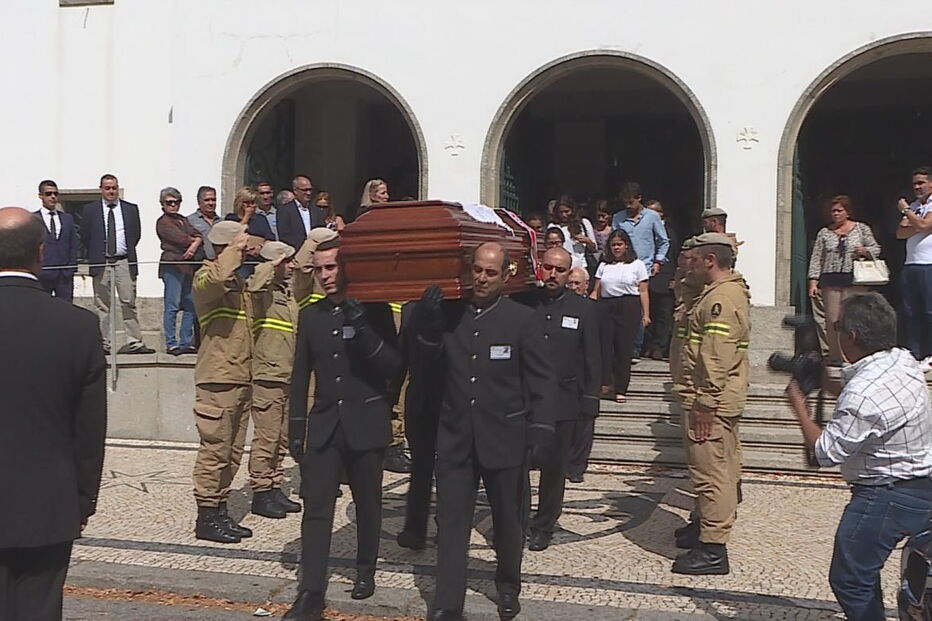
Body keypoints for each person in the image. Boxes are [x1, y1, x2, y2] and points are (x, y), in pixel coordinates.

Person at [414, 242, 557, 621]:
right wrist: (426, 325)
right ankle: (447, 603)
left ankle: (508, 584)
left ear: (506, 274)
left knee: (508, 522)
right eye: (477, 269)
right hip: (456, 437)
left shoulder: (522, 319)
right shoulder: (451, 316)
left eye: (490, 272)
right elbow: (426, 368)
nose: (481, 277)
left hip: (505, 438)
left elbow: (542, 379)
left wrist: (541, 430)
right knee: (451, 521)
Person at [785, 292, 932, 619]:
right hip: (922, 486)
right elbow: (867, 395)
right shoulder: (902, 360)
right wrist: (823, 379)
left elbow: (825, 452)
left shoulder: (863, 395)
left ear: (851, 336)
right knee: (882, 575)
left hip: (886, 495)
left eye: (836, 327)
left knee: (849, 579)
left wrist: (798, 403)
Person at [285, 237, 401, 621]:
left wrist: (361, 326)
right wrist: (296, 428)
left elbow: (392, 367)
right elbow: (301, 373)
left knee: (368, 503)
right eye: (318, 269)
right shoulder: (312, 315)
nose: (324, 276)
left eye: (331, 267)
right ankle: (311, 591)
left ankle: (365, 570)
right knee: (316, 508)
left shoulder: (375, 309)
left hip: (366, 423)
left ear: (346, 266)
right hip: (325, 423)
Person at [0, 207, 106, 621]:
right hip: (47, 505)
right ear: (41, 253)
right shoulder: (78, 327)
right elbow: (89, 428)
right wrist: (83, 501)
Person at [672, 232, 750, 576]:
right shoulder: (710, 292)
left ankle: (714, 548)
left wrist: (705, 402)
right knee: (716, 467)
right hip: (703, 394)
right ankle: (705, 523)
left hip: (710, 400)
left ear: (710, 261)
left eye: (695, 259)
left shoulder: (722, 299)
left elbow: (716, 355)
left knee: (711, 473)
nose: (689, 264)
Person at [526, 247, 600, 551]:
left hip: (563, 399)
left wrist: (591, 401)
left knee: (555, 468)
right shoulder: (525, 303)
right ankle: (517, 519)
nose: (553, 274)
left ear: (569, 273)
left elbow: (593, 357)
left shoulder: (584, 310)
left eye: (560, 269)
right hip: (525, 398)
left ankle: (544, 523)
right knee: (518, 465)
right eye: (548, 268)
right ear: (540, 268)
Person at [191, 220, 255, 544]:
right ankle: (205, 516)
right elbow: (215, 277)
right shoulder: (205, 277)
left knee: (231, 453)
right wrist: (236, 248)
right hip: (217, 379)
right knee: (214, 451)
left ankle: (220, 511)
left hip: (240, 376)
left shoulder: (238, 285)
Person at [246, 240, 302, 519]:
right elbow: (254, 285)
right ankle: (260, 490)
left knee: (281, 437)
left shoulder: (286, 293)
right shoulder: (262, 290)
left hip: (286, 371)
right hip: (267, 373)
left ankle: (274, 484)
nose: (291, 266)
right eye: (287, 262)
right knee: (266, 437)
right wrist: (271, 263)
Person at [80, 174, 152, 355]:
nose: (111, 191)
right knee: (103, 305)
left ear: (117, 188)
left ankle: (134, 342)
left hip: (124, 261)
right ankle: (104, 343)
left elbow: (135, 235)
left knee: (128, 302)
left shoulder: (130, 209)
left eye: (113, 188)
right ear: (101, 189)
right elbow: (85, 236)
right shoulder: (90, 210)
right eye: (107, 188)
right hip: (101, 262)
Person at [807, 195, 881, 365]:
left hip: (854, 278)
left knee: (851, 318)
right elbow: (817, 257)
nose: (835, 214)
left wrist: (864, 250)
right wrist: (813, 280)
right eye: (833, 211)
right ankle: (835, 356)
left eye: (839, 211)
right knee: (833, 320)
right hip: (830, 278)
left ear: (848, 212)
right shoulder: (824, 233)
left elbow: (876, 249)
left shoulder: (861, 229)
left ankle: (855, 355)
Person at [590, 229, 650, 403]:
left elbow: (643, 290)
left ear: (626, 246)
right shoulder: (604, 266)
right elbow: (596, 291)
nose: (616, 248)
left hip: (628, 306)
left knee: (624, 348)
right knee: (605, 347)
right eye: (613, 245)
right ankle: (606, 384)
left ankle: (621, 388)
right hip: (606, 306)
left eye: (619, 244)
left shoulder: (637, 265)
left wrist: (646, 314)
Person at [611, 182, 669, 359]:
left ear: (639, 199)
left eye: (631, 203)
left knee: (641, 309)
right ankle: (625, 347)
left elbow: (663, 241)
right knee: (625, 308)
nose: (628, 207)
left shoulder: (652, 217)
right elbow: (614, 241)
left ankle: (637, 348)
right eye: (625, 203)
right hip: (624, 268)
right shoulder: (618, 218)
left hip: (645, 268)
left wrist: (658, 261)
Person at [156, 186, 202, 355]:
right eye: (169, 202)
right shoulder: (163, 222)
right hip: (173, 265)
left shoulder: (183, 220)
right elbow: (178, 238)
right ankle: (171, 342)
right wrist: (193, 242)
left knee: (190, 304)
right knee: (172, 304)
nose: (173, 205)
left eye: (176, 202)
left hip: (188, 267)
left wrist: (195, 244)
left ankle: (186, 341)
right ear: (163, 204)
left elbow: (198, 235)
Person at [896, 166, 932, 360]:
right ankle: (914, 353)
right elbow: (900, 232)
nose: (917, 187)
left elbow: (925, 224)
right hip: (911, 264)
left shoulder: (911, 208)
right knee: (911, 312)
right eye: (914, 184)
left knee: (929, 310)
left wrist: (908, 212)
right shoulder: (915, 206)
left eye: (921, 182)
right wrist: (918, 223)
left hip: (929, 264)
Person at [34, 179, 78, 301]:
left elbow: (73, 245)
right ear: (41, 196)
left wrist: (71, 268)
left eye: (55, 193)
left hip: (64, 276)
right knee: (41, 308)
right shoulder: (33, 219)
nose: (53, 197)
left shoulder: (67, 218)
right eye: (48, 194)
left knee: (65, 309)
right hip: (43, 274)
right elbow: (30, 247)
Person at [645, 200, 678, 360]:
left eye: (655, 212)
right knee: (647, 314)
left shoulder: (669, 233)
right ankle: (648, 346)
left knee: (663, 316)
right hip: (646, 279)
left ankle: (659, 347)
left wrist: (675, 278)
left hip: (665, 279)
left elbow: (676, 256)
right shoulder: (644, 231)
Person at [546, 194, 596, 271]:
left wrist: (587, 241)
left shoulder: (584, 223)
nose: (564, 215)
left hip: (581, 265)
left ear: (573, 210)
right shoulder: (553, 226)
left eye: (566, 211)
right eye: (561, 212)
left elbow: (594, 248)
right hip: (560, 265)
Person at [278, 175, 324, 251]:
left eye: (310, 190)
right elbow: (284, 235)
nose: (308, 193)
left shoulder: (317, 211)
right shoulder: (285, 210)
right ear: (295, 191)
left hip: (315, 251)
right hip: (295, 251)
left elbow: (321, 231)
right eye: (304, 190)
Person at [187, 186, 220, 260]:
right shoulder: (190, 221)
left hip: (220, 264)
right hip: (199, 264)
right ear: (199, 202)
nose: (211, 203)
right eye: (207, 200)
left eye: (213, 200)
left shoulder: (222, 221)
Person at [592, 200, 612, 266]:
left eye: (603, 216)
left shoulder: (613, 229)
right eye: (598, 216)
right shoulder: (593, 230)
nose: (600, 219)